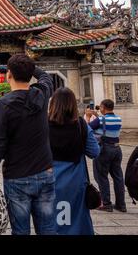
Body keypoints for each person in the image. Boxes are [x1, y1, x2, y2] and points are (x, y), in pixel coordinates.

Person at [0, 54, 56, 235]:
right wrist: (29, 66)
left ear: (8, 75)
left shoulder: (4, 104)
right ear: (30, 73)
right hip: (44, 171)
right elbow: (46, 78)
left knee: (20, 230)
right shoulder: (41, 94)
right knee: (48, 228)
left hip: (17, 176)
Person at [49, 88, 100, 235]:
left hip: (50, 179)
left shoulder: (43, 125)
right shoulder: (80, 125)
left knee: (53, 219)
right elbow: (94, 152)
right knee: (77, 219)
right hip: (75, 180)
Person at [87, 99, 126, 213]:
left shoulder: (100, 119)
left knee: (101, 176)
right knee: (118, 177)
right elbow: (106, 124)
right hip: (117, 149)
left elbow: (87, 129)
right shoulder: (118, 119)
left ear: (103, 107)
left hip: (104, 149)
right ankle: (121, 204)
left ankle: (107, 204)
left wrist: (89, 117)